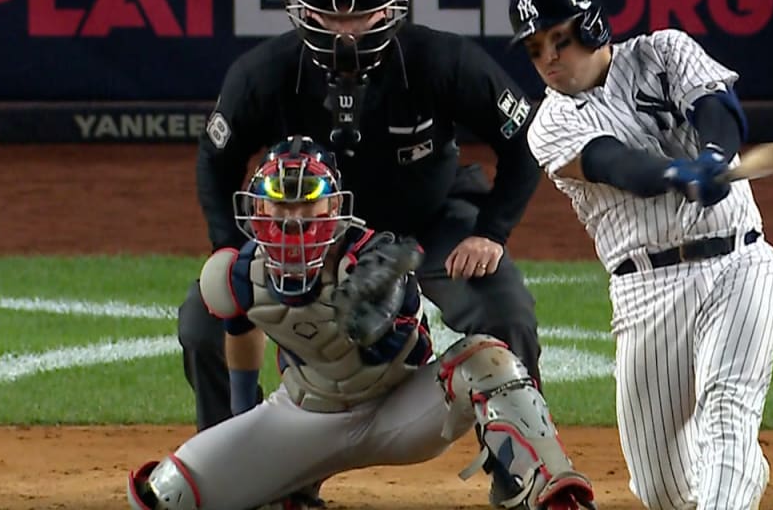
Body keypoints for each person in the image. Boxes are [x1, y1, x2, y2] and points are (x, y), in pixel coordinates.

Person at [179, 0, 544, 435]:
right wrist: (228, 248)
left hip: (428, 225)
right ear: (305, 16)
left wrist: (491, 233)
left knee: (506, 310)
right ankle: (226, 458)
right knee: (203, 321)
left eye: (361, 16)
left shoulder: (440, 58)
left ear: (388, 15)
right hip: (306, 236)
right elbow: (215, 160)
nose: (345, 31)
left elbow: (524, 140)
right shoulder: (263, 72)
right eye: (331, 17)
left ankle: (526, 460)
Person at [128, 136, 597, 510]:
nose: (293, 220)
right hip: (305, 419)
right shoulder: (232, 276)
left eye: (306, 204)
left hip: (402, 413)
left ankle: (549, 488)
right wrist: (239, 411)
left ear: (333, 208)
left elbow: (400, 266)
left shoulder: (370, 255)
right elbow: (240, 331)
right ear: (260, 208)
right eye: (281, 205)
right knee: (168, 492)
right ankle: (293, 486)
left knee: (487, 360)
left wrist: (385, 296)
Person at [509, 0, 773, 510]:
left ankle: (730, 487)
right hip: (645, 294)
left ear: (591, 25)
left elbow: (720, 110)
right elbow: (614, 163)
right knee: (660, 488)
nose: (548, 58)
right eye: (535, 48)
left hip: (738, 263)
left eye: (558, 40)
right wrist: (676, 175)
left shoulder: (665, 50)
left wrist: (710, 158)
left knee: (728, 411)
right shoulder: (548, 124)